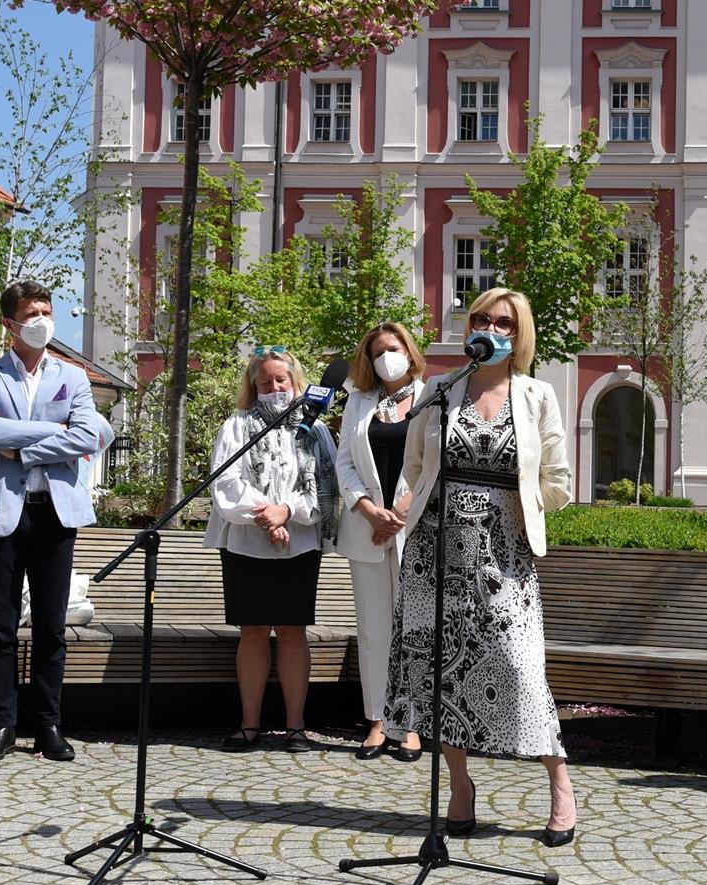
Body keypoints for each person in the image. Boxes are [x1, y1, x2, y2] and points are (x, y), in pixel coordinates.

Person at [383, 287, 577, 846]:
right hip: (432, 550)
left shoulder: (537, 394)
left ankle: (559, 781)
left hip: (503, 551)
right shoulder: (441, 390)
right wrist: (403, 506)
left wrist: (524, 504)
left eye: (504, 323)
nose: (490, 328)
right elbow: (416, 464)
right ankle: (460, 786)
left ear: (519, 335)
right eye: (481, 319)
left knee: (519, 668)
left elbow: (559, 479)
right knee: (441, 671)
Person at [0, 281, 102, 762]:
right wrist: (55, 431)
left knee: (51, 626)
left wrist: (19, 448)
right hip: (2, 513)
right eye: (32, 312)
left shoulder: (74, 376)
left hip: (55, 513)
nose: (43, 319)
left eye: (47, 310)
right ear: (10, 322)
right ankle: (1, 723)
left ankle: (48, 724)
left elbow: (91, 435)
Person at [203, 347, 339, 754]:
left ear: (297, 383)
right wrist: (265, 517)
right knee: (254, 630)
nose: (275, 388)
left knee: (294, 632)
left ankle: (295, 726)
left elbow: (325, 487)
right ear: (254, 387)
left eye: (281, 380)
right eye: (266, 382)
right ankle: (249, 724)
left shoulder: (315, 431)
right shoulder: (238, 425)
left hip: (299, 543)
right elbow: (226, 481)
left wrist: (288, 513)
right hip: (247, 543)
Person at [334, 323, 426, 761]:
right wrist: (370, 509)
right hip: (367, 528)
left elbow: (435, 462)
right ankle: (376, 720)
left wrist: (402, 511)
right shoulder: (358, 401)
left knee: (414, 629)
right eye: (377, 352)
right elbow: (344, 462)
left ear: (409, 351)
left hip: (415, 528)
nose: (387, 357)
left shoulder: (433, 396)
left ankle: (410, 724)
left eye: (394, 348)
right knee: (373, 630)